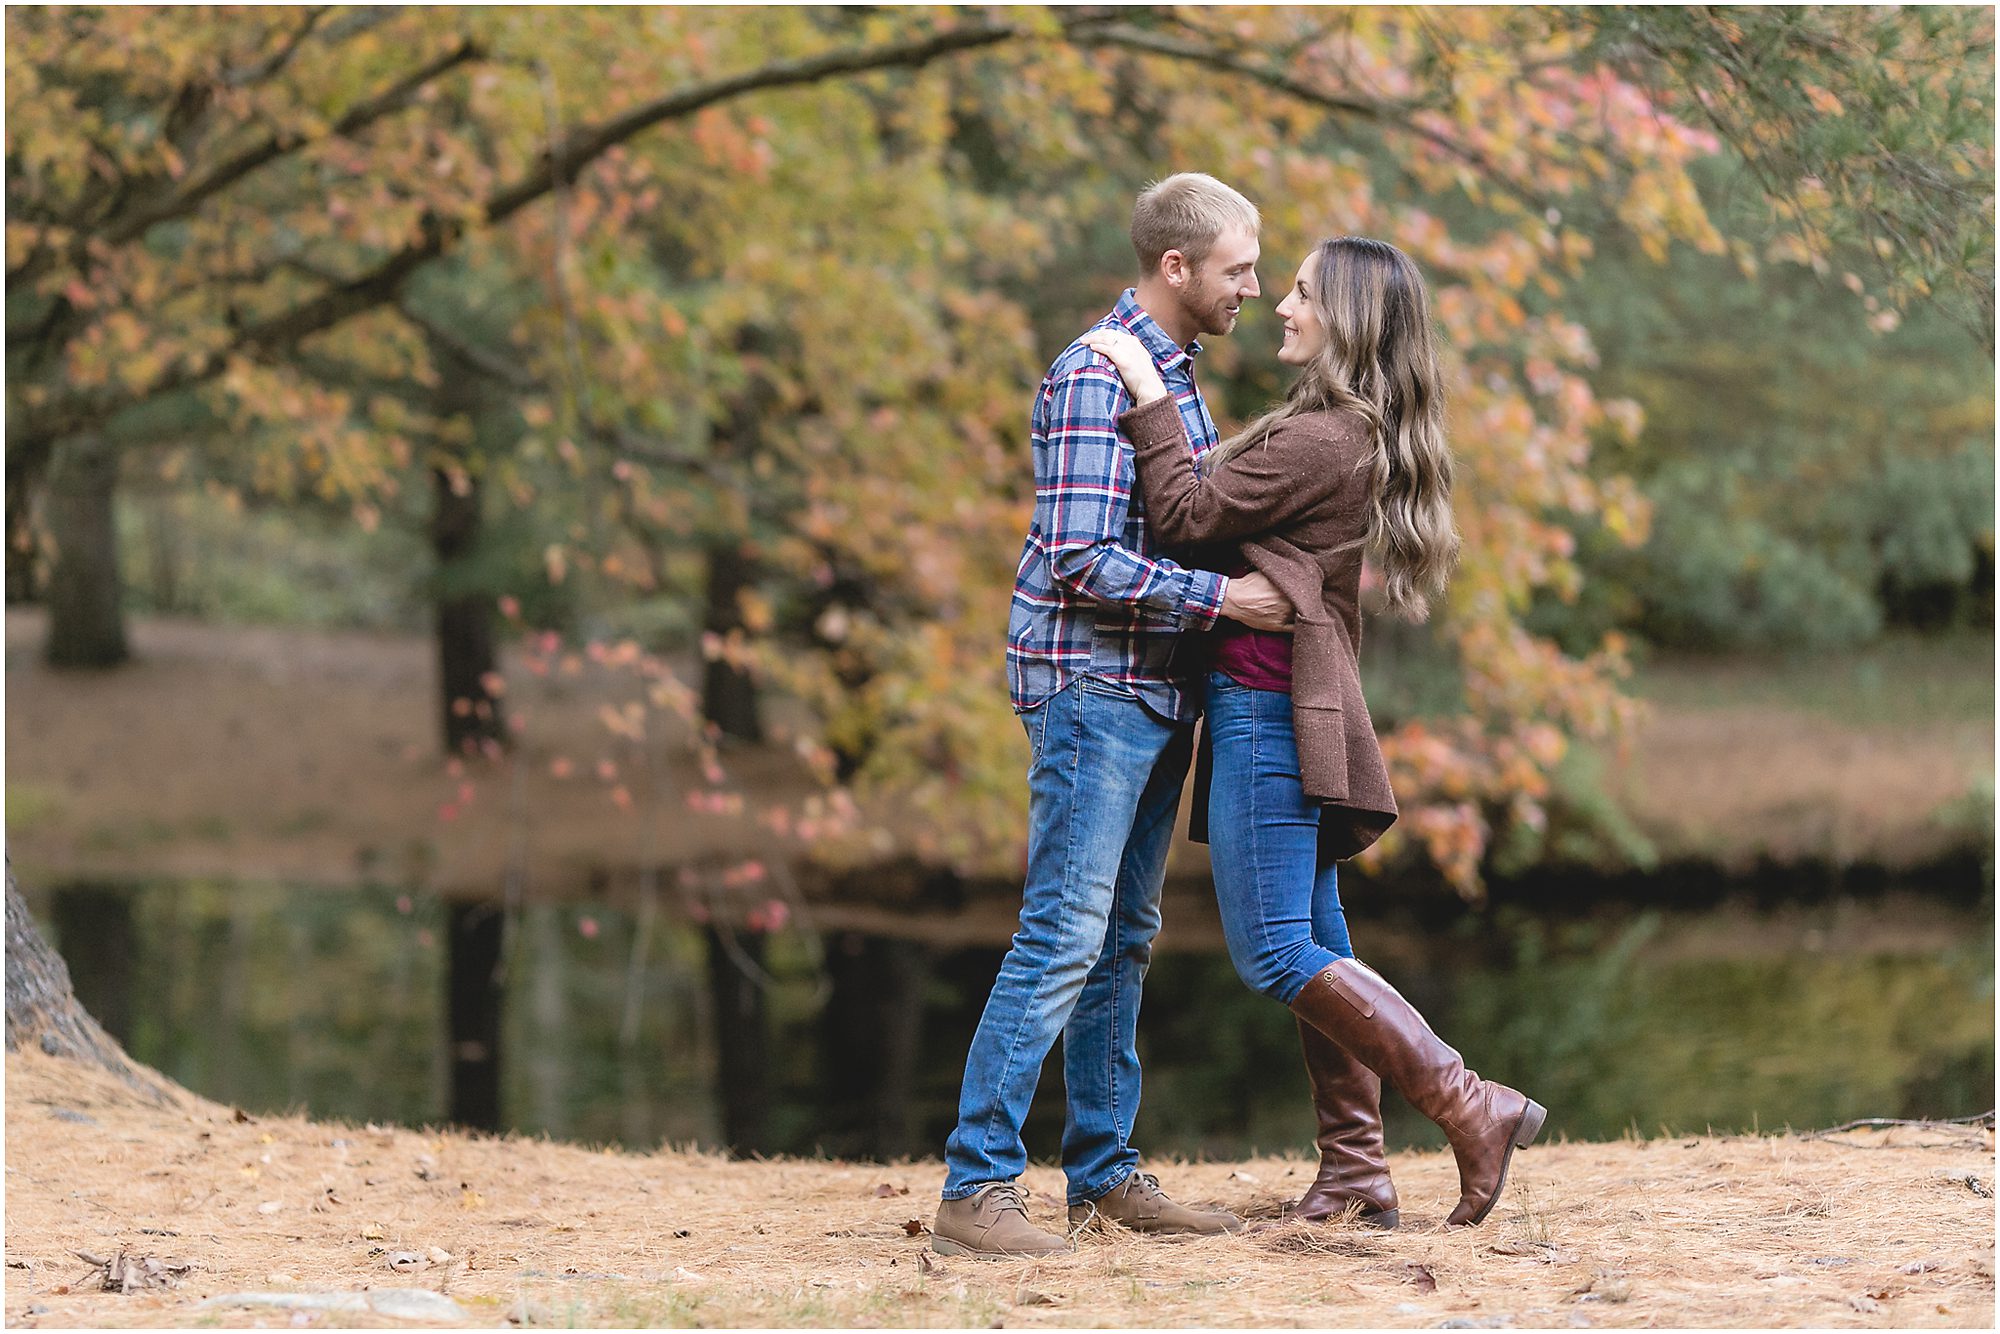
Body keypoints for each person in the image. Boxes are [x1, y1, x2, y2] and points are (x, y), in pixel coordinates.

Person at [1078, 236, 1546, 1231]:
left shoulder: (1323, 439)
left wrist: (1143, 391)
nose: (1278, 306)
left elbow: (1181, 510)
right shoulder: (1336, 429)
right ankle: (1354, 1169)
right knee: (1319, 937)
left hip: (1266, 706)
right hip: (1284, 703)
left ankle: (1469, 1100)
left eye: (1297, 293)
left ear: (1346, 319)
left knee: (1276, 950)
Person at [931, 174, 1295, 1258]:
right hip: (1091, 686)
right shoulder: (1094, 373)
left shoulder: (1168, 380)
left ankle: (1100, 1172)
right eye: (1238, 269)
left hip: (1149, 688)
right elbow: (1082, 558)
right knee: (1060, 933)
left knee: (1123, 938)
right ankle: (975, 1184)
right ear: (1174, 267)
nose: (1254, 288)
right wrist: (1223, 599)